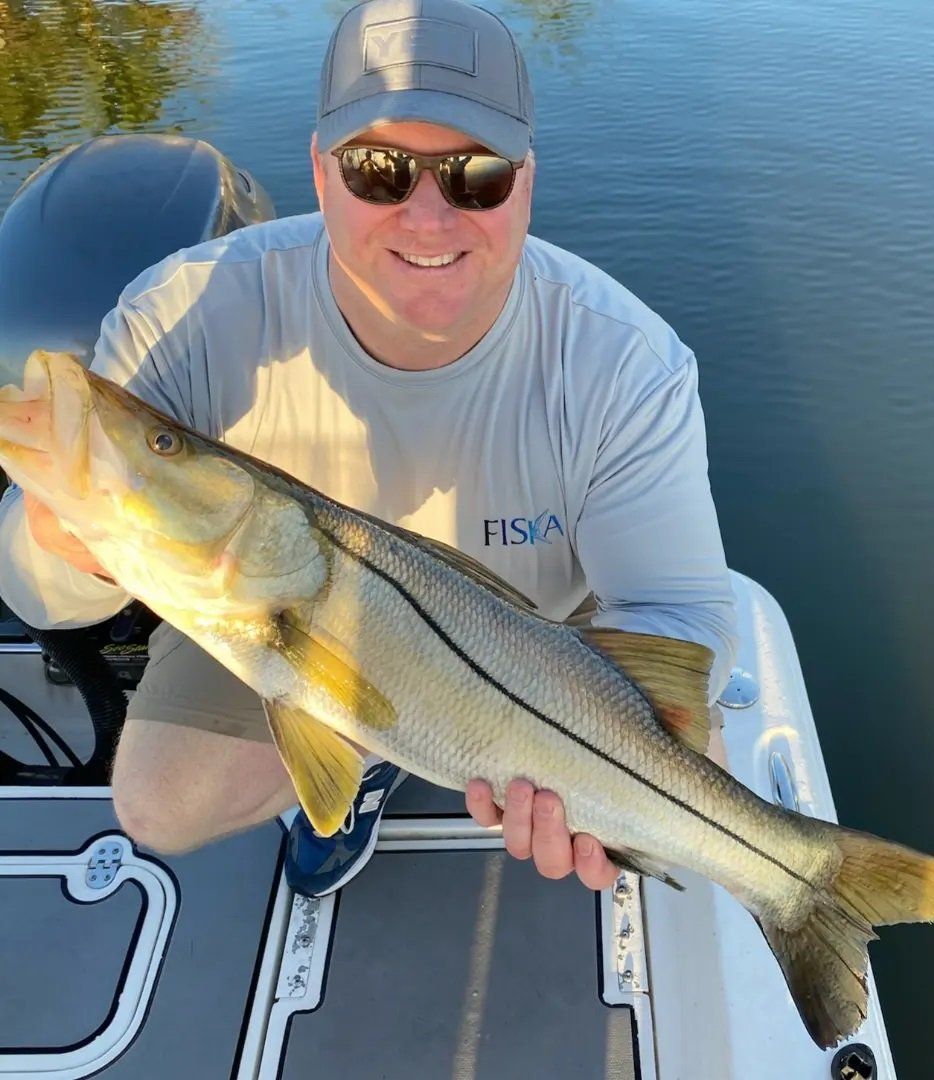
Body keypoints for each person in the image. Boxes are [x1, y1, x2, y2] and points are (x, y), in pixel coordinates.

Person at [0, 0, 737, 898]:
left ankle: (761, 871)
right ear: (318, 173)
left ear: (528, 183)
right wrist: (69, 538)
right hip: (262, 612)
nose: (428, 219)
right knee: (158, 800)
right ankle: (372, 752)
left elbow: (679, 614)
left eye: (477, 174)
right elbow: (30, 586)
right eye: (379, 170)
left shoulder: (625, 360)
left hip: (550, 651)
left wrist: (617, 741)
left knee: (698, 764)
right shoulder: (186, 313)